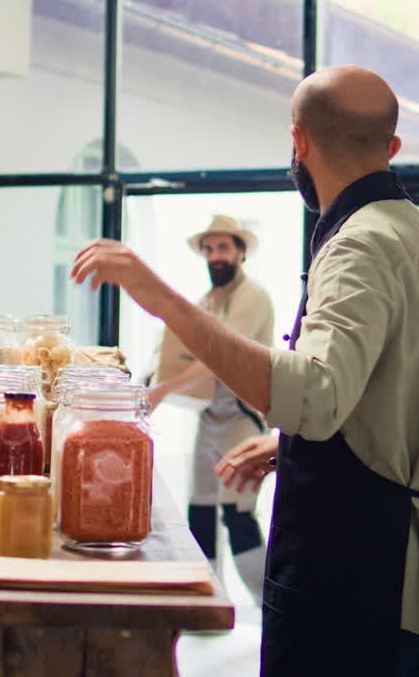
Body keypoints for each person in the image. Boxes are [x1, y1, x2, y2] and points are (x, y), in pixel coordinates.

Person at [71, 66, 419, 677]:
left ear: (299, 142)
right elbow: (395, 394)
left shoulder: (358, 245)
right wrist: (290, 443)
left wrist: (156, 295)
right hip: (395, 579)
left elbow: (314, 398)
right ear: (391, 148)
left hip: (351, 579)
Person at [148, 215, 274, 606]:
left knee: (238, 518)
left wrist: (162, 391)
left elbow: (219, 357)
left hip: (242, 421)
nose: (216, 255)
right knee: (200, 514)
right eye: (209, 248)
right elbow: (175, 350)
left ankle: (272, 606)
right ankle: (205, 602)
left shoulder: (252, 297)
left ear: (240, 252)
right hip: (209, 419)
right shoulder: (206, 300)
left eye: (223, 247)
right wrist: (150, 380)